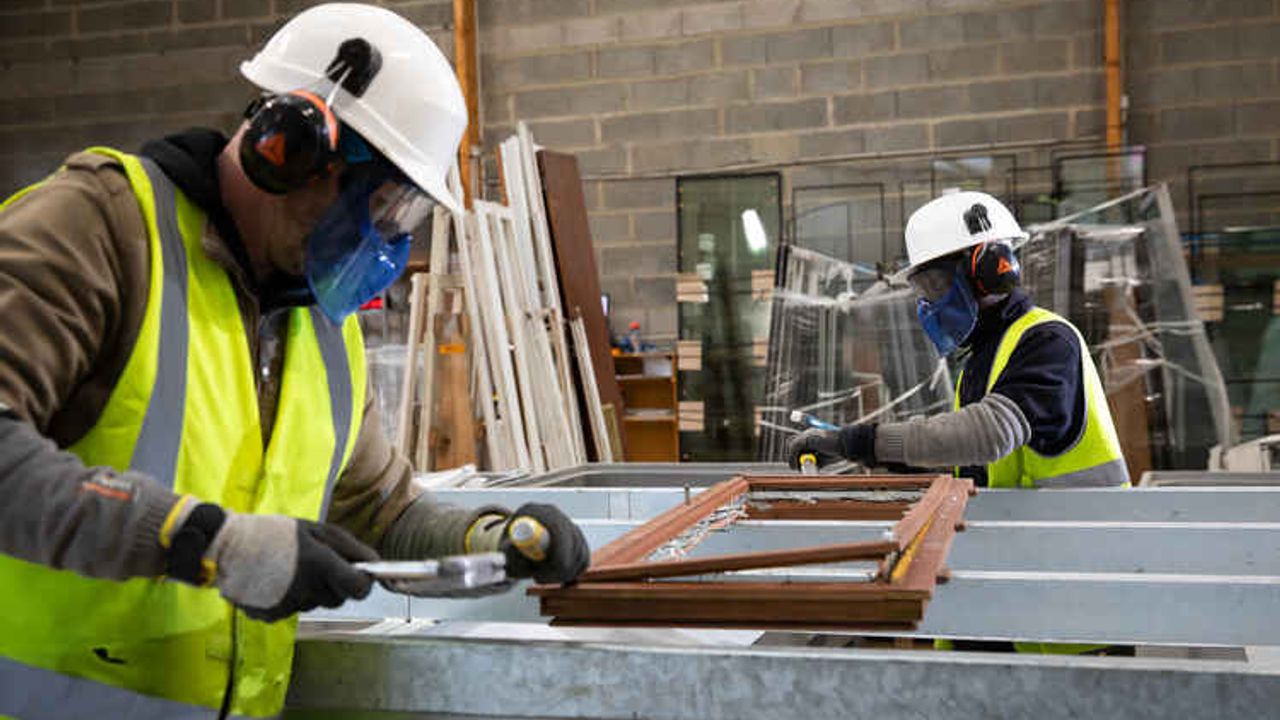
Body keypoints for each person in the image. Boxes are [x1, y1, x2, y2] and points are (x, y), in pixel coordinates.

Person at [0, 5, 588, 718]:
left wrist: (490, 542)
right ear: (293, 149)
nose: (383, 240)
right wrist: (203, 541)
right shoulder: (101, 229)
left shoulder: (322, 327)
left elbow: (378, 513)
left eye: (403, 217)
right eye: (382, 204)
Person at [788, 190, 1128, 489]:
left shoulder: (1048, 341)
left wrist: (859, 442)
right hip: (1034, 533)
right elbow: (965, 459)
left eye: (936, 285)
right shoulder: (982, 360)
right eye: (922, 290)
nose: (929, 303)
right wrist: (849, 449)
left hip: (1087, 532)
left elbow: (988, 434)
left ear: (990, 270)